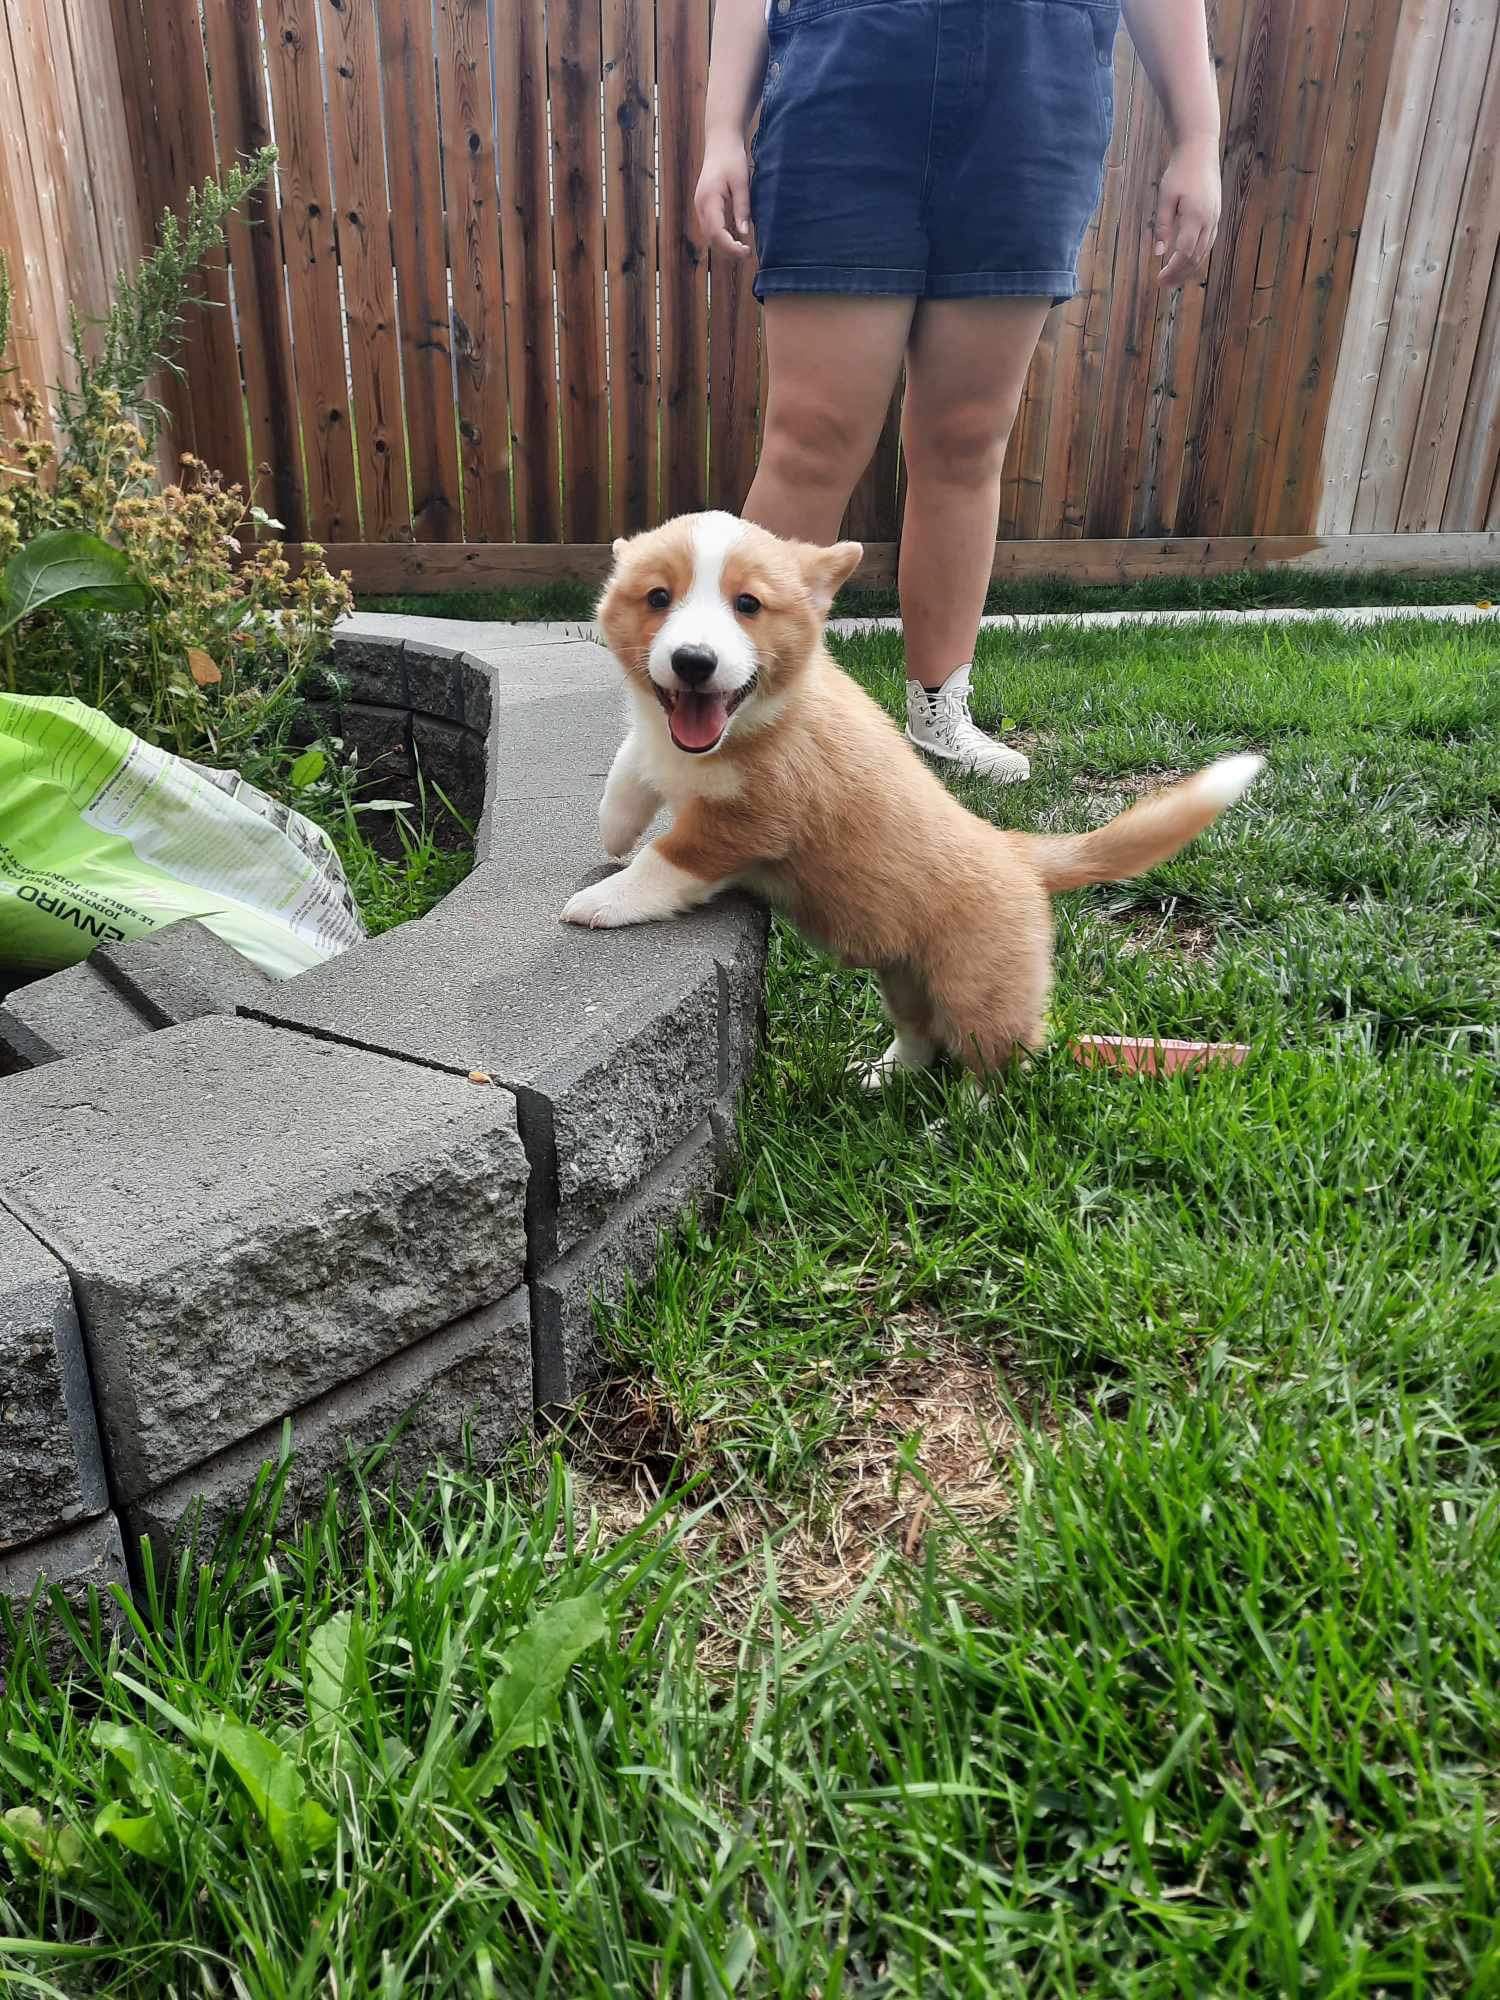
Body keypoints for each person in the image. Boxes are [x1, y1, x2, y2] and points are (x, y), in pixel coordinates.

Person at [694, 0, 1221, 781]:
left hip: (1033, 91)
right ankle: (742, 717)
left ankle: (940, 710)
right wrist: (721, 133)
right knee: (810, 438)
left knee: (967, 439)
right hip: (847, 77)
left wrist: (1200, 140)